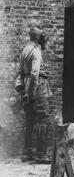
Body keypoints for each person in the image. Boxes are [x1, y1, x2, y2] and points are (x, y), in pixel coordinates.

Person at [18, 26, 53, 164]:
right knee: (43, 119)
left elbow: (21, 72)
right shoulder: (36, 51)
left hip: (27, 86)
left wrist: (25, 93)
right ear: (38, 37)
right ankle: (41, 154)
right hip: (37, 88)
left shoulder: (25, 49)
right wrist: (31, 93)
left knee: (29, 120)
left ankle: (26, 153)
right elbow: (34, 73)